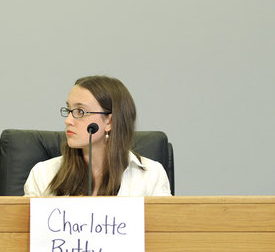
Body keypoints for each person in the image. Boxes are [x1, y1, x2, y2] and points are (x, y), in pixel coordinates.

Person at [23, 75, 171, 197]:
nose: (68, 120)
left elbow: (163, 224)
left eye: (80, 111)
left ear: (110, 122)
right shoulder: (43, 174)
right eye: (69, 110)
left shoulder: (151, 175)